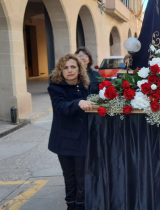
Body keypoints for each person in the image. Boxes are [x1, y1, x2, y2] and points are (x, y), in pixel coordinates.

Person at [48, 54, 95, 210]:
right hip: (63, 138)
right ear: (60, 70)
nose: (69, 70)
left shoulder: (86, 86)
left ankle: (80, 205)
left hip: (82, 138)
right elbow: (60, 107)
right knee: (69, 176)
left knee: (81, 175)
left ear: (79, 69)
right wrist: (78, 102)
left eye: (73, 67)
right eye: (65, 67)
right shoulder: (55, 87)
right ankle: (71, 205)